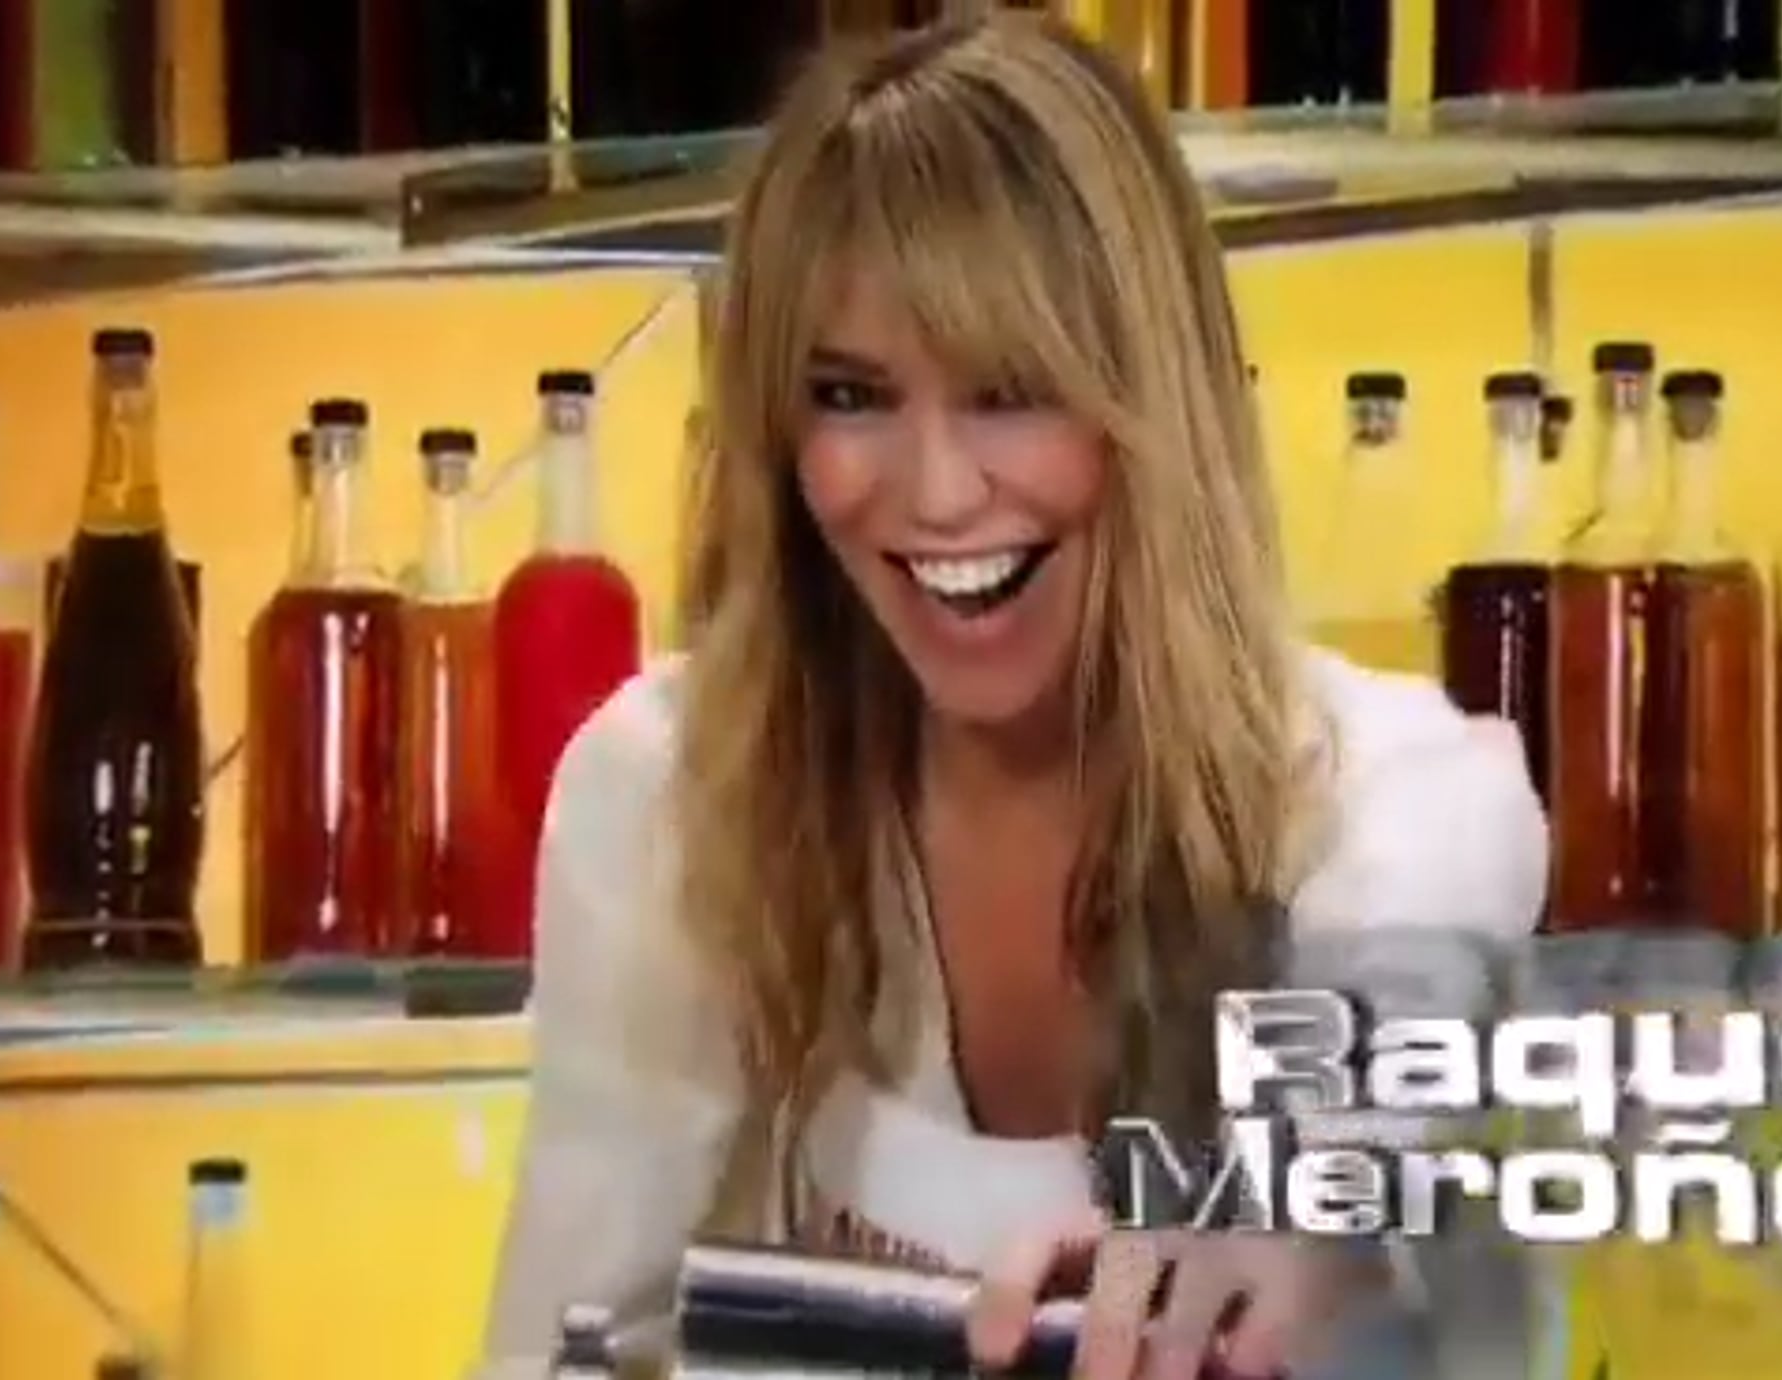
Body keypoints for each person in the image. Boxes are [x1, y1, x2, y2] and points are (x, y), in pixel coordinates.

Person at [479, 11, 1549, 1379]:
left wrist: (1293, 1210)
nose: (935, 493)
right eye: (852, 396)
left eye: (1011, 391)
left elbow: (1410, 958)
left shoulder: (1380, 795)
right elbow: (568, 1340)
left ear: (1152, 407)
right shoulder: (668, 793)